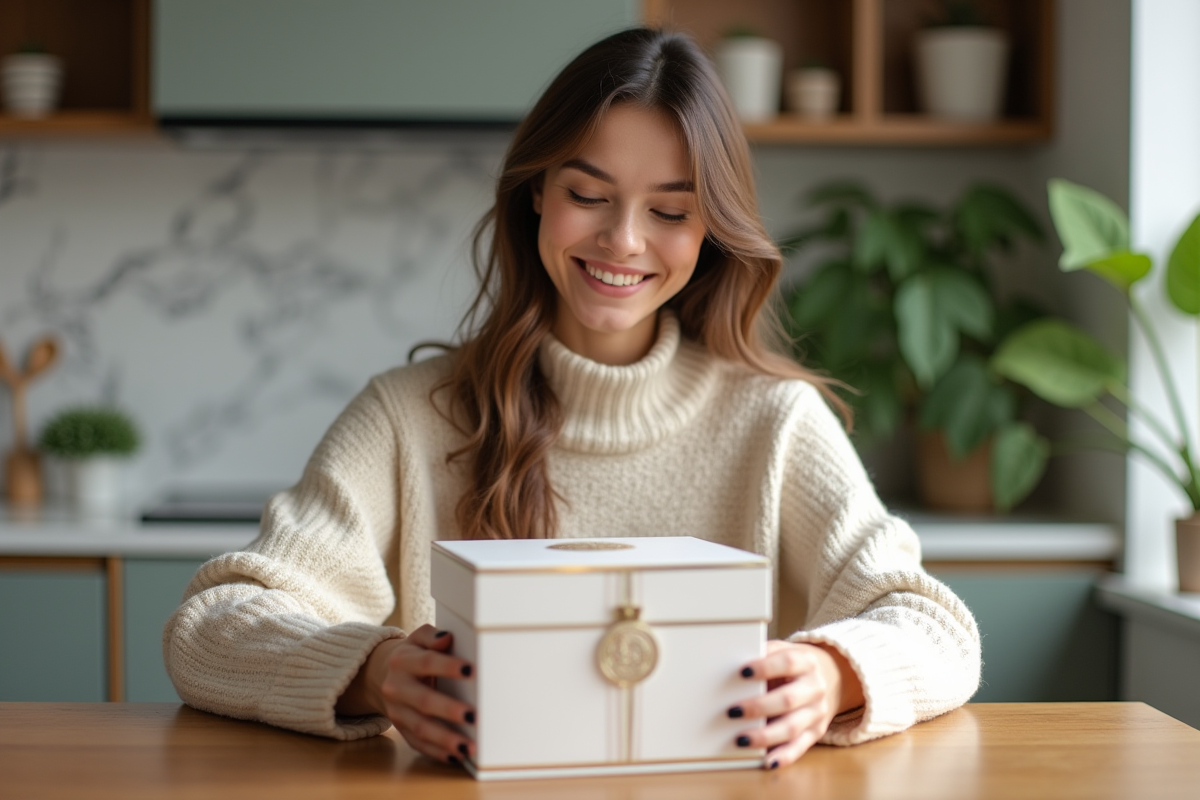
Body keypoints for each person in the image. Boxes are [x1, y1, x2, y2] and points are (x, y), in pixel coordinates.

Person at [164, 27, 980, 771]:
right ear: (535, 194)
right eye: (587, 195)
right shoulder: (405, 418)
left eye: (670, 211)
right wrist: (374, 672)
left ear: (710, 234)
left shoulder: (774, 423)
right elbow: (210, 628)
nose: (623, 241)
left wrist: (833, 674)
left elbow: (935, 627)